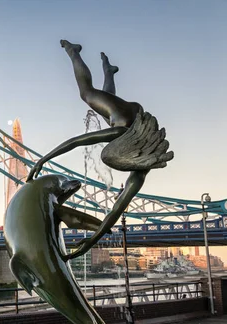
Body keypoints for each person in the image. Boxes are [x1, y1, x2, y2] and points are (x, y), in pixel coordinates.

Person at [28, 40, 173, 260]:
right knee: (87, 94)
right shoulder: (120, 135)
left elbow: (115, 211)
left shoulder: (141, 165)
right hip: (126, 117)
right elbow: (77, 141)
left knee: (105, 107)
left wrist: (91, 241)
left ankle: (108, 72)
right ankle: (73, 51)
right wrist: (43, 160)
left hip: (131, 116)